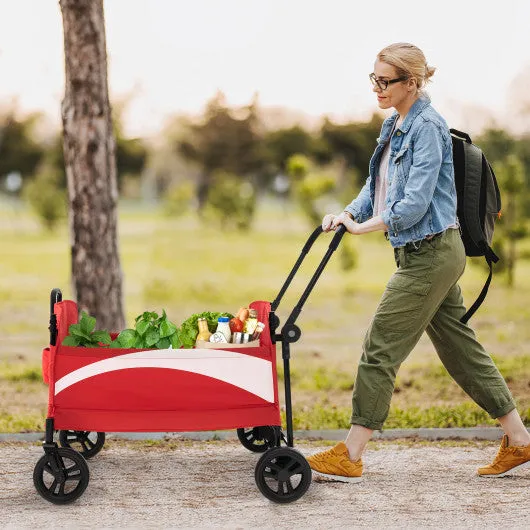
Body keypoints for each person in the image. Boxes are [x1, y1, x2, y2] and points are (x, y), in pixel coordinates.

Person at [306, 42, 530, 482]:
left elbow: (413, 204)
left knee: (380, 346)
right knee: (461, 351)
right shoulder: (395, 125)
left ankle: (350, 454)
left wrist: (364, 228)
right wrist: (349, 213)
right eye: (374, 79)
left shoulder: (428, 127)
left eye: (385, 81)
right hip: (422, 254)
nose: (377, 88)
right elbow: (377, 187)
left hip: (431, 254)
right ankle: (521, 440)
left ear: (413, 82)